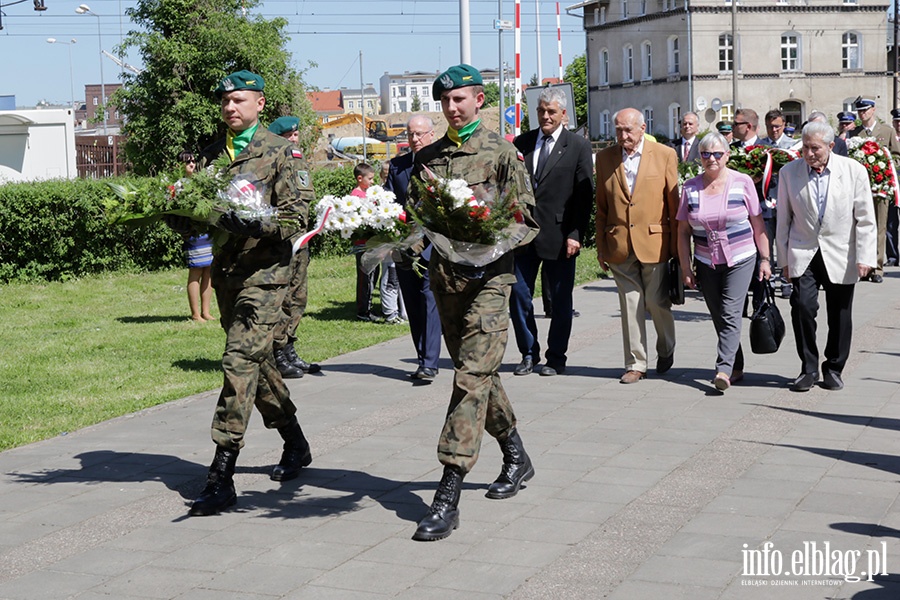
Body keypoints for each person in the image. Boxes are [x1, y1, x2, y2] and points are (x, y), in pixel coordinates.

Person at [406, 64, 540, 542]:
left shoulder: (503, 153)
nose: (451, 107)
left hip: (490, 279)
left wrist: (492, 246)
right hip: (447, 277)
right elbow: (420, 216)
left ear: (479, 100)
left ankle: (448, 492)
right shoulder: (431, 156)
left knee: (469, 378)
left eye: (459, 99)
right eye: (444, 100)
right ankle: (517, 457)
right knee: (479, 373)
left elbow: (526, 218)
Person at [182, 70, 314, 516]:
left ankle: (221, 474)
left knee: (237, 361)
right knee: (257, 365)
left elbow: (298, 216)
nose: (230, 108)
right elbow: (198, 214)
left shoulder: (282, 152)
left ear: (260, 103)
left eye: (239, 100)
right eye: (225, 101)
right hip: (226, 275)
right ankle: (295, 441)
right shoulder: (210, 156)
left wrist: (256, 223)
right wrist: (173, 211)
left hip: (267, 276)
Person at [776, 121, 877, 392]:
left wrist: (866, 256)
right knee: (803, 307)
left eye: (815, 148)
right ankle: (808, 368)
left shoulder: (854, 171)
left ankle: (833, 367)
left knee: (840, 313)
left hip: (842, 251)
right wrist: (783, 260)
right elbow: (783, 219)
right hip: (803, 249)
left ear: (831, 146)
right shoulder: (789, 173)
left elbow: (866, 218)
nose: (809, 154)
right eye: (805, 148)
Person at [676, 132, 772, 391]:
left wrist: (765, 259)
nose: (712, 159)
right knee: (719, 315)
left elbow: (757, 223)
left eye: (717, 154)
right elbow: (683, 232)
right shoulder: (690, 187)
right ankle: (736, 365)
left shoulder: (742, 183)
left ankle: (723, 369)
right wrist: (686, 268)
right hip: (706, 260)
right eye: (706, 154)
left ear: (727, 156)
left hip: (741, 257)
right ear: (700, 158)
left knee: (730, 312)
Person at [511, 86, 593, 376]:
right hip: (522, 236)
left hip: (560, 236)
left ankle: (556, 357)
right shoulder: (522, 143)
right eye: (541, 111)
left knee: (560, 301)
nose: (545, 116)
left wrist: (575, 233)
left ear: (563, 114)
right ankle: (528, 353)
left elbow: (585, 197)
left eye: (551, 112)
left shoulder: (578, 146)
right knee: (518, 295)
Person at [595, 108, 678, 384]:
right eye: (618, 130)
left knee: (656, 301)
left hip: (655, 240)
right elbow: (602, 207)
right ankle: (635, 363)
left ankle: (666, 348)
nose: (623, 135)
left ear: (643, 128)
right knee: (630, 303)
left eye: (628, 130)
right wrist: (600, 246)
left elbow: (673, 204)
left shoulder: (664, 155)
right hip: (618, 241)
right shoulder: (605, 158)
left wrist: (678, 248)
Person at [384, 115, 442, 380]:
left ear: (431, 134)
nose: (415, 139)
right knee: (413, 303)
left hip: (434, 246)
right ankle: (422, 357)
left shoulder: (442, 163)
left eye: (419, 134)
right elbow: (387, 204)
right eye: (410, 135)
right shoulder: (397, 167)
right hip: (405, 247)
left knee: (430, 300)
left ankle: (430, 361)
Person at [267, 116, 320, 378]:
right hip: (283, 242)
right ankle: (277, 352)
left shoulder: (299, 163)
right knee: (283, 298)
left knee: (298, 298)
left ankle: (289, 347)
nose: (295, 139)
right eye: (290, 136)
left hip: (302, 239)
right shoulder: (273, 163)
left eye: (296, 135)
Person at [849, 97, 900, 283]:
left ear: (873, 110)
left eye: (865, 110)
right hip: (860, 189)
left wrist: (882, 165)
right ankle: (863, 266)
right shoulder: (854, 133)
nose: (862, 114)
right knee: (860, 226)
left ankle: (877, 268)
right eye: (860, 111)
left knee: (880, 227)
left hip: (881, 186)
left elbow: (897, 156)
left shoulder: (887, 131)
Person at [178, 151, 215, 322]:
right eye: (187, 162)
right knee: (196, 271)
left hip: (208, 231)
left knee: (209, 271)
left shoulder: (203, 181)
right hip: (193, 233)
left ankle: (206, 312)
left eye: (194, 161)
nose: (192, 164)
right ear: (179, 165)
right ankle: (195, 313)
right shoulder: (179, 185)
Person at [351, 163, 383, 322]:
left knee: (373, 275)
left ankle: (368, 307)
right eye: (370, 179)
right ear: (359, 178)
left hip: (372, 242)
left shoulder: (366, 194)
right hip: (363, 243)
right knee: (366, 277)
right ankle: (363, 311)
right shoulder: (356, 196)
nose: (372, 182)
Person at [887, 108, 900, 267]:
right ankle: (892, 256)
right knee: (891, 221)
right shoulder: (889, 135)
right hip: (891, 184)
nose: (899, 124)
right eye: (896, 121)